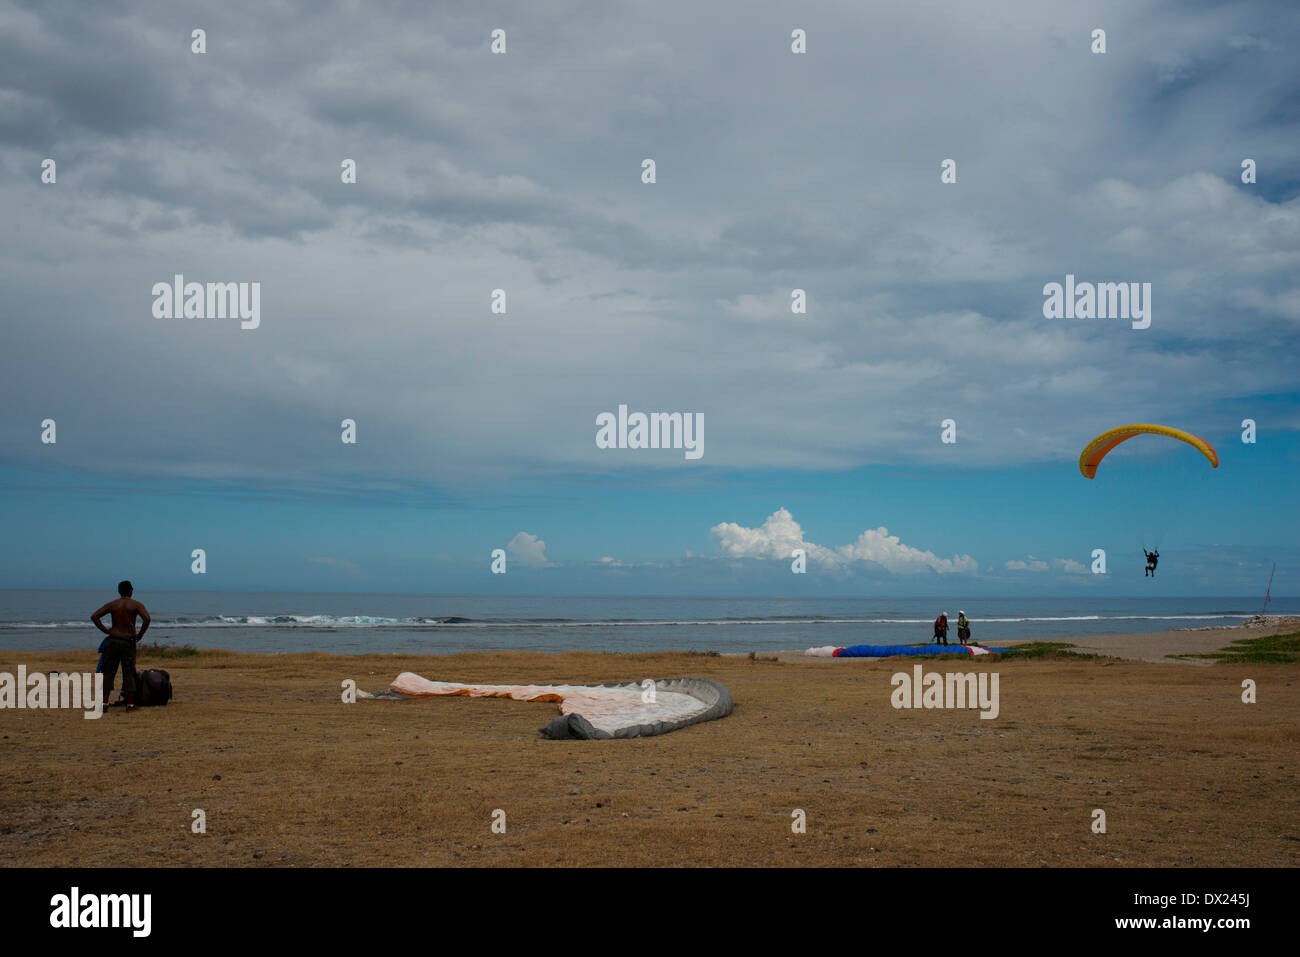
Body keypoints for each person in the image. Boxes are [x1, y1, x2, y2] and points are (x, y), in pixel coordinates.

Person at [91, 581, 151, 711]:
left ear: (119, 591)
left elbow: (95, 616)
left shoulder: (113, 604)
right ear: (131, 590)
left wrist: (106, 630)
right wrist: (140, 634)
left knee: (108, 672)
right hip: (127, 641)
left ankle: (105, 704)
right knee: (129, 672)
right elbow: (147, 618)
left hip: (113, 640)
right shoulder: (136, 605)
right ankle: (130, 705)